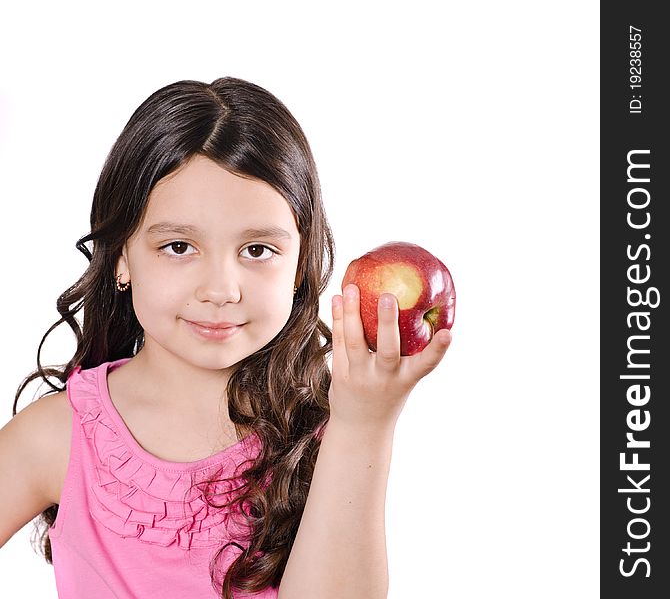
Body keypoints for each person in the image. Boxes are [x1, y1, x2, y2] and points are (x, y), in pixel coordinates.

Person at [0, 77, 453, 599]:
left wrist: (364, 424)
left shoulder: (323, 434)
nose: (220, 290)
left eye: (257, 250)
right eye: (177, 246)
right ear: (122, 255)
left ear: (302, 263)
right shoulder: (58, 436)